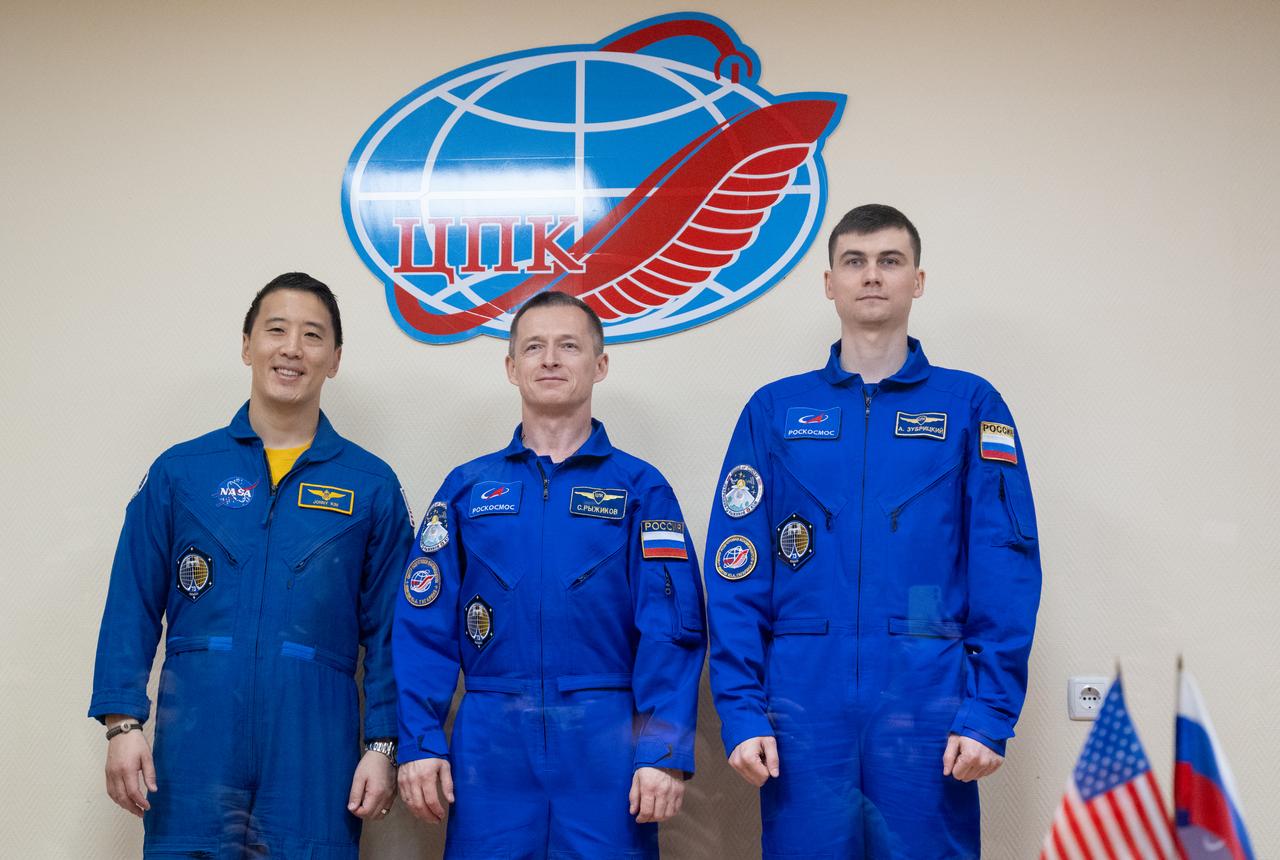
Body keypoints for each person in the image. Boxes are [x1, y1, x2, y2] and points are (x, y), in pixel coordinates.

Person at [704, 205, 1042, 858]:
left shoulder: (970, 406)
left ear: (917, 280)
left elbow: (1005, 565)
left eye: (890, 261)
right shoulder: (775, 410)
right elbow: (737, 571)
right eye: (854, 262)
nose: (872, 276)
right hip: (802, 707)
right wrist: (743, 710)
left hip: (928, 702)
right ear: (829, 283)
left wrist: (988, 711)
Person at [88, 273, 414, 858]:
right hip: (195, 745)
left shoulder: (371, 486)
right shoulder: (181, 472)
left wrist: (383, 744)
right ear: (247, 346)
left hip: (316, 748)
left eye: (313, 335)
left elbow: (392, 630)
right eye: (276, 330)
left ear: (334, 359)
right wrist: (122, 725)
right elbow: (130, 604)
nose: (292, 348)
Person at [394, 290, 705, 859]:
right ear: (512, 367)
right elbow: (421, 626)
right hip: (491, 739)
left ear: (600, 364)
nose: (551, 359)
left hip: (606, 740)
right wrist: (419, 741)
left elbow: (673, 634)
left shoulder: (642, 489)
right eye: (533, 347)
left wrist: (662, 752)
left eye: (569, 346)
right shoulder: (466, 489)